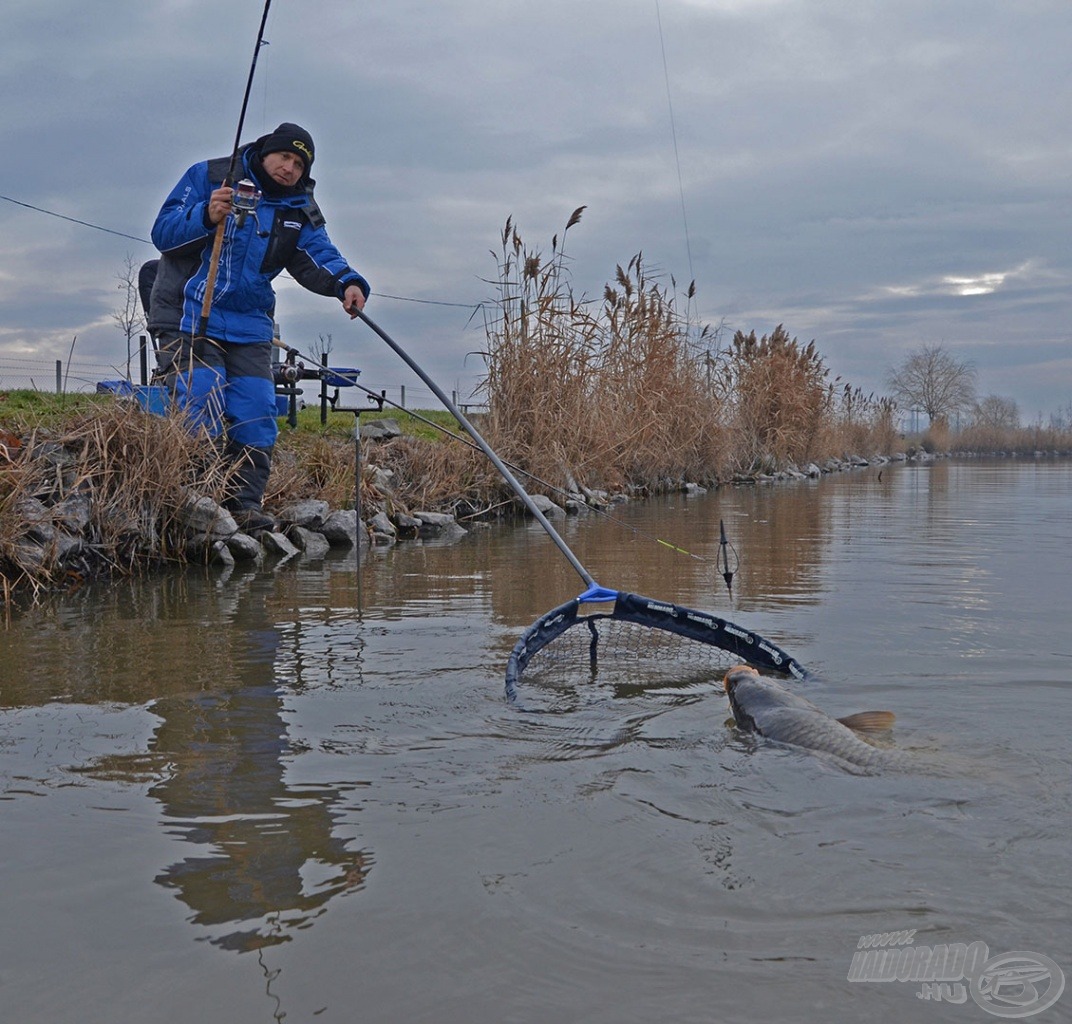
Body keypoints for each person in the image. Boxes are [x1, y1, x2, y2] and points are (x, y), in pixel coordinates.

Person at [149, 122, 370, 532]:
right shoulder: (210, 175)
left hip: (249, 324)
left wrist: (349, 282)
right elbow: (163, 232)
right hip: (187, 315)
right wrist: (206, 215)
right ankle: (196, 504)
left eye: (299, 163)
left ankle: (243, 508)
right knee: (202, 399)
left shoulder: (299, 208)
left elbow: (317, 253)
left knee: (256, 411)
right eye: (284, 157)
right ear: (266, 152)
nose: (289, 168)